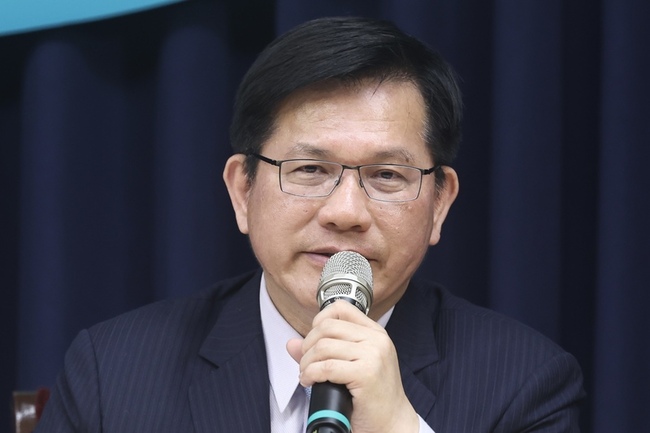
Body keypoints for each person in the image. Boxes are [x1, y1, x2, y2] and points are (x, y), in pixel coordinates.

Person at [35, 16, 584, 433]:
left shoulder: (524, 386)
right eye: (310, 170)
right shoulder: (113, 373)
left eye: (387, 175)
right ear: (243, 190)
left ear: (439, 203)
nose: (345, 212)